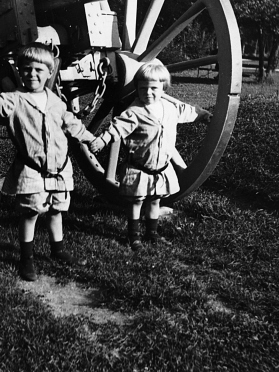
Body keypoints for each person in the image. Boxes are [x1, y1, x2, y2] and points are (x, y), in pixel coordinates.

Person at [0, 43, 101, 281]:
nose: (32, 74)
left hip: (60, 169)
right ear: (20, 71)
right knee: (30, 213)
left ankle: (58, 250)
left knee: (56, 210)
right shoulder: (15, 101)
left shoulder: (57, 103)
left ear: (49, 73)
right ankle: (26, 258)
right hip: (32, 170)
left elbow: (73, 124)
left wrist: (90, 139)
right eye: (27, 69)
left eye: (39, 70)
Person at [89, 60, 212, 251]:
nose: (148, 92)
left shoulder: (170, 108)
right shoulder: (134, 112)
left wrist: (203, 115)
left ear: (164, 88)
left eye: (153, 88)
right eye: (143, 88)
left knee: (155, 200)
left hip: (161, 168)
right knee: (136, 202)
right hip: (139, 167)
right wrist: (103, 140)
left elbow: (187, 111)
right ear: (137, 88)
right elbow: (117, 127)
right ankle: (134, 236)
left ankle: (152, 233)